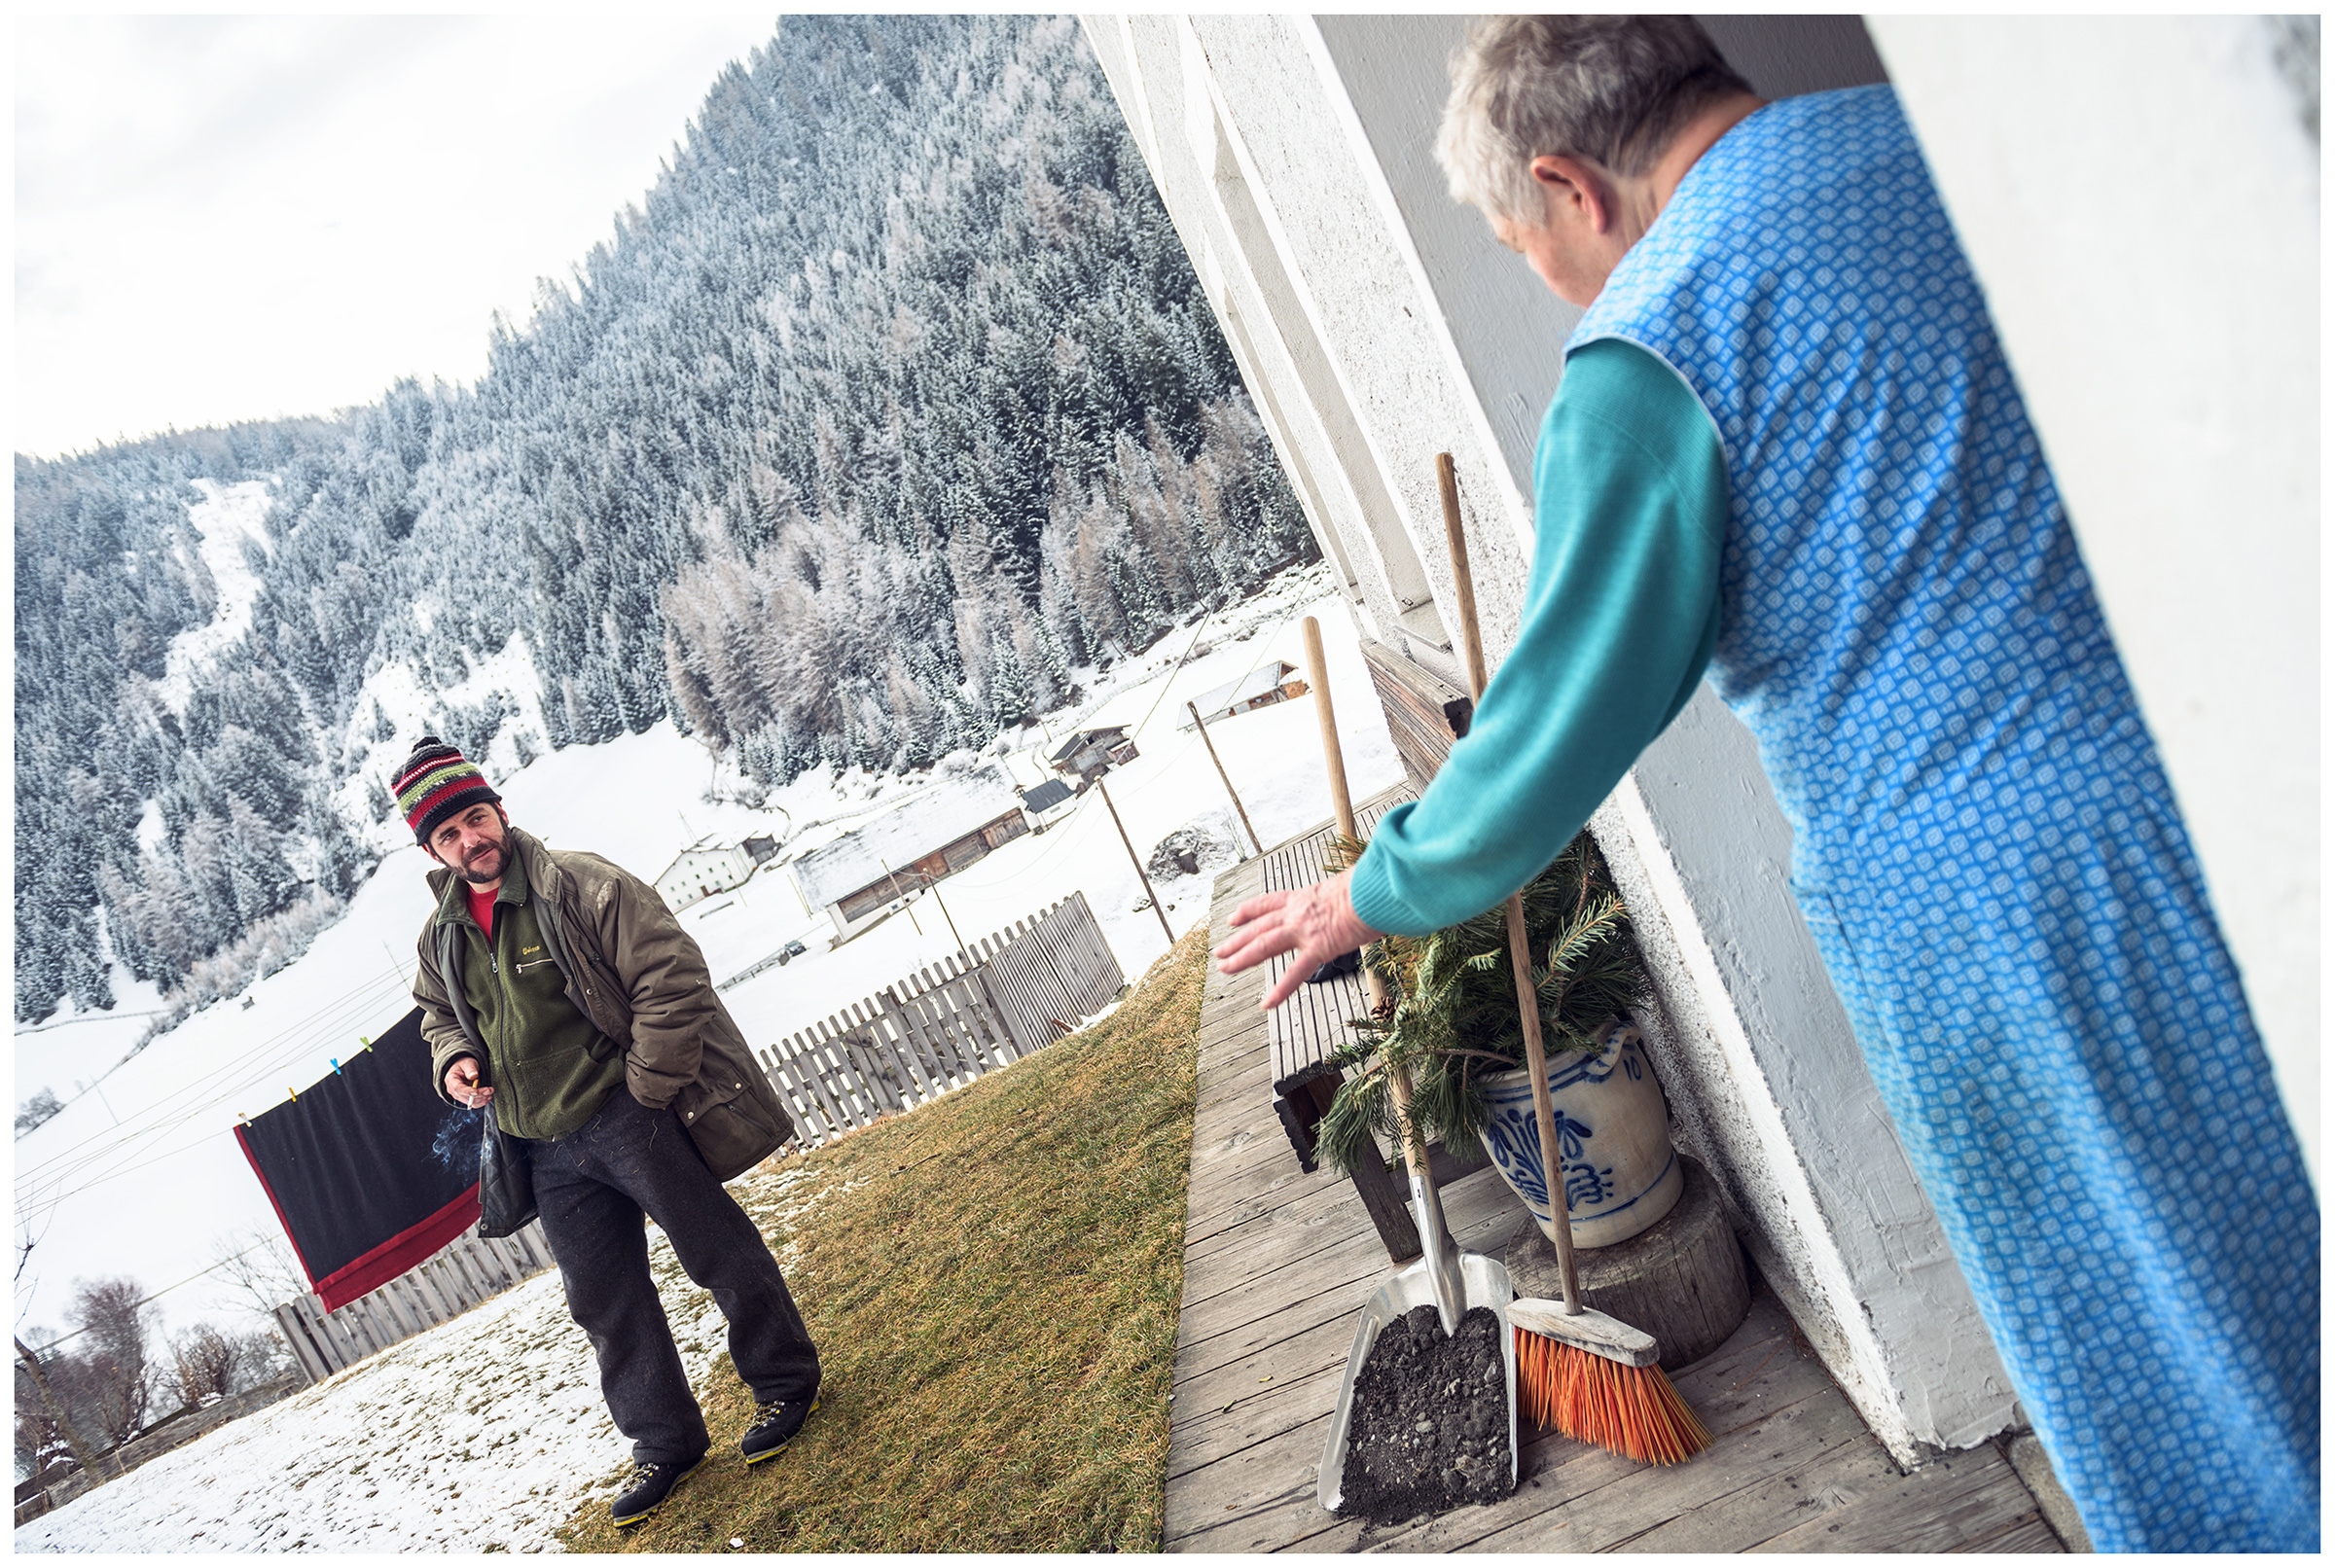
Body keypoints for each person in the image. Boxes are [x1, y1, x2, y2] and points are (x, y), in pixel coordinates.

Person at [1215, 16, 2316, 1553]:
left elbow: (1547, 737)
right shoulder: (1935, 133)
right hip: (2240, 754)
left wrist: (1370, 889)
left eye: (1519, 239)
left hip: (2008, 910)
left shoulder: (1656, 342)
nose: (1547, 272)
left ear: (1570, 185)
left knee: (2177, 1344)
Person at [397, 736, 821, 1528]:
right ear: (431, 848)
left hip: (627, 1114)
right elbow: (440, 1016)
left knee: (715, 1251)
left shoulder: (581, 885)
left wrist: (647, 1088)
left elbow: (672, 976)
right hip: (542, 1147)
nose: (469, 842)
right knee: (604, 1301)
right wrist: (454, 1059)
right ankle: (666, 1443)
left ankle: (785, 1384)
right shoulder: (441, 937)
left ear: (500, 812)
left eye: (476, 821)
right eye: (447, 835)